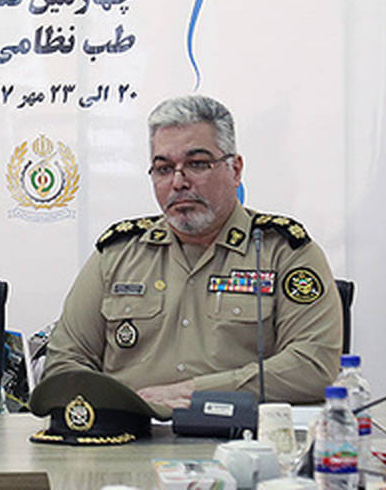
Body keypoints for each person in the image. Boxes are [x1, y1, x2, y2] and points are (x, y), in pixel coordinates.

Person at [43, 95, 343, 412]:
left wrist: (196, 392)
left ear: (235, 169)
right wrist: (122, 407)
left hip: (237, 435)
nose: (178, 182)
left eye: (197, 164)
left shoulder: (284, 252)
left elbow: (313, 364)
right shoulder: (117, 254)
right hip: (131, 432)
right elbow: (64, 363)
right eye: (163, 168)